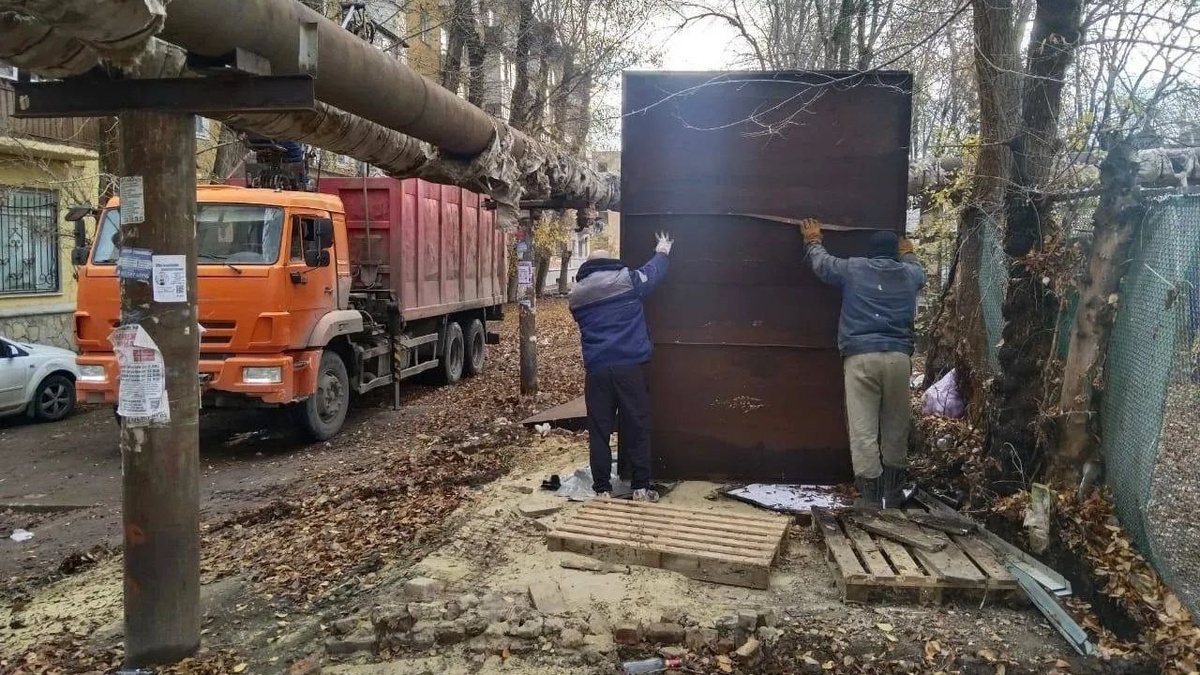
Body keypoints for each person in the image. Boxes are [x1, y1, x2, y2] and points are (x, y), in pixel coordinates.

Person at [800, 219, 925, 508]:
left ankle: (870, 500)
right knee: (896, 426)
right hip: (898, 359)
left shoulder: (855, 268)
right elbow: (919, 272)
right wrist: (908, 253)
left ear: (871, 253)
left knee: (863, 428)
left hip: (861, 358)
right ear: (895, 252)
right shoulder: (909, 274)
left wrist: (813, 240)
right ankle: (892, 495)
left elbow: (823, 265)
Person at [568, 233, 673, 502]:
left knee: (599, 431)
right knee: (637, 426)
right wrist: (663, 250)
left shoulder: (576, 297)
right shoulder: (627, 280)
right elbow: (653, 273)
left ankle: (602, 490)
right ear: (610, 263)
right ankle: (640, 488)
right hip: (629, 368)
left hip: (598, 371)